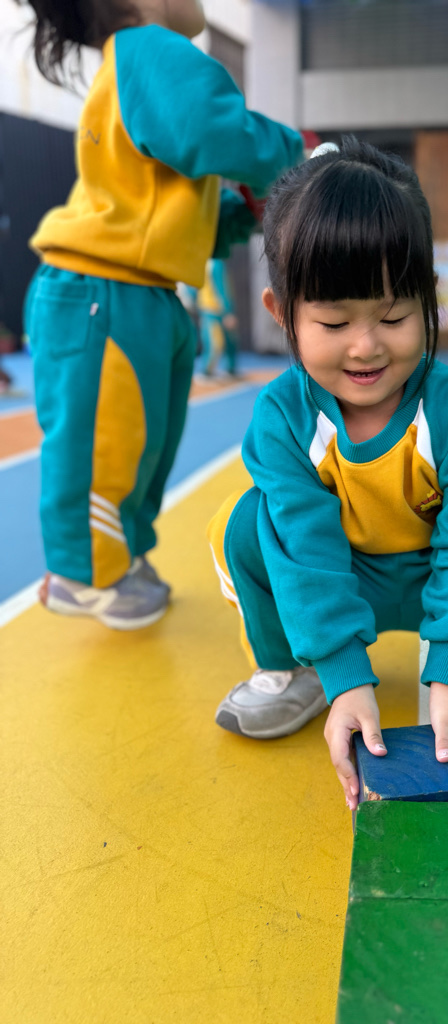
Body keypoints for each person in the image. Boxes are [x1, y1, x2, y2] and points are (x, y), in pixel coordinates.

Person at [206, 138, 448, 808]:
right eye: (333, 321)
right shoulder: (282, 416)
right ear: (281, 313)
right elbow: (304, 551)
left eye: (393, 316)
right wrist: (346, 679)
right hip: (347, 576)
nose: (365, 345)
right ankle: (295, 668)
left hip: (438, 571)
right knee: (241, 527)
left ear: (427, 298)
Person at [19, 0, 304, 629]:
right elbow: (212, 133)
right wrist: (296, 157)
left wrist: (245, 212)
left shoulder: (139, 62)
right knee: (105, 441)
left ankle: (122, 553)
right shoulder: (150, 48)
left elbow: (172, 205)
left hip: (139, 290)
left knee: (148, 443)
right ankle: (84, 574)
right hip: (105, 291)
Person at [197, 258, 240, 378]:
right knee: (214, 341)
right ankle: (209, 370)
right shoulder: (214, 264)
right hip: (212, 309)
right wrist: (228, 311)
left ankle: (226, 369)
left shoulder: (211, 263)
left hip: (212, 308)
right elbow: (221, 287)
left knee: (224, 340)